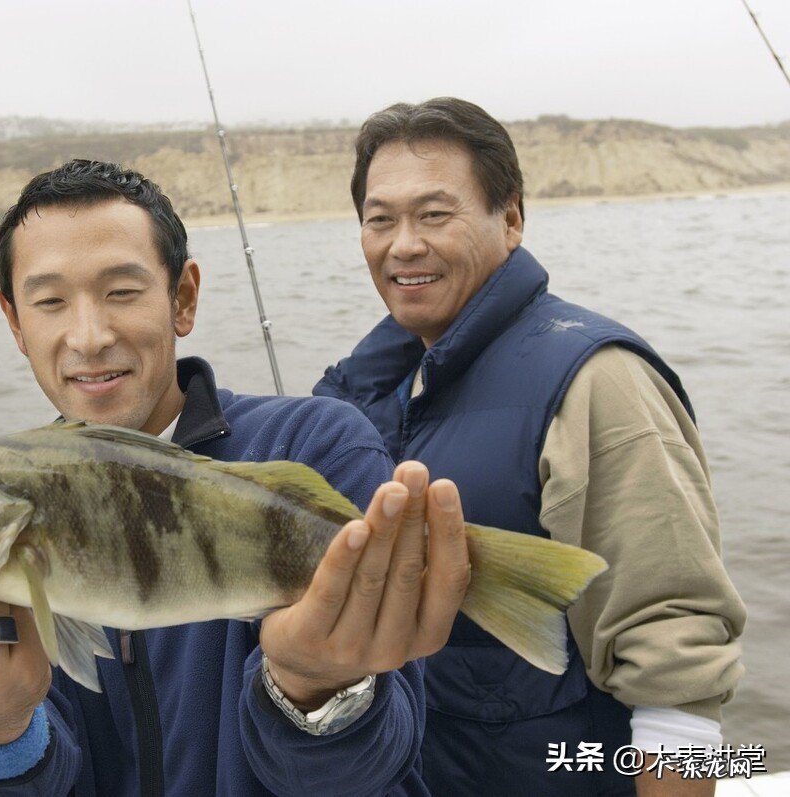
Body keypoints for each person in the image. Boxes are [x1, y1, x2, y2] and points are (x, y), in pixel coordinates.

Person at [0, 159, 473, 796]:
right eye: (48, 302)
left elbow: (378, 764)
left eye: (122, 292)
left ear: (183, 299)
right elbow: (41, 766)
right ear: (15, 322)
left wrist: (317, 688)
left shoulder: (317, 443)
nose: (89, 337)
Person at [314, 97, 746, 796]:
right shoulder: (370, 390)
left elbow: (677, 655)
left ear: (509, 219)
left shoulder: (598, 381)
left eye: (434, 214)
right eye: (379, 219)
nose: (403, 245)